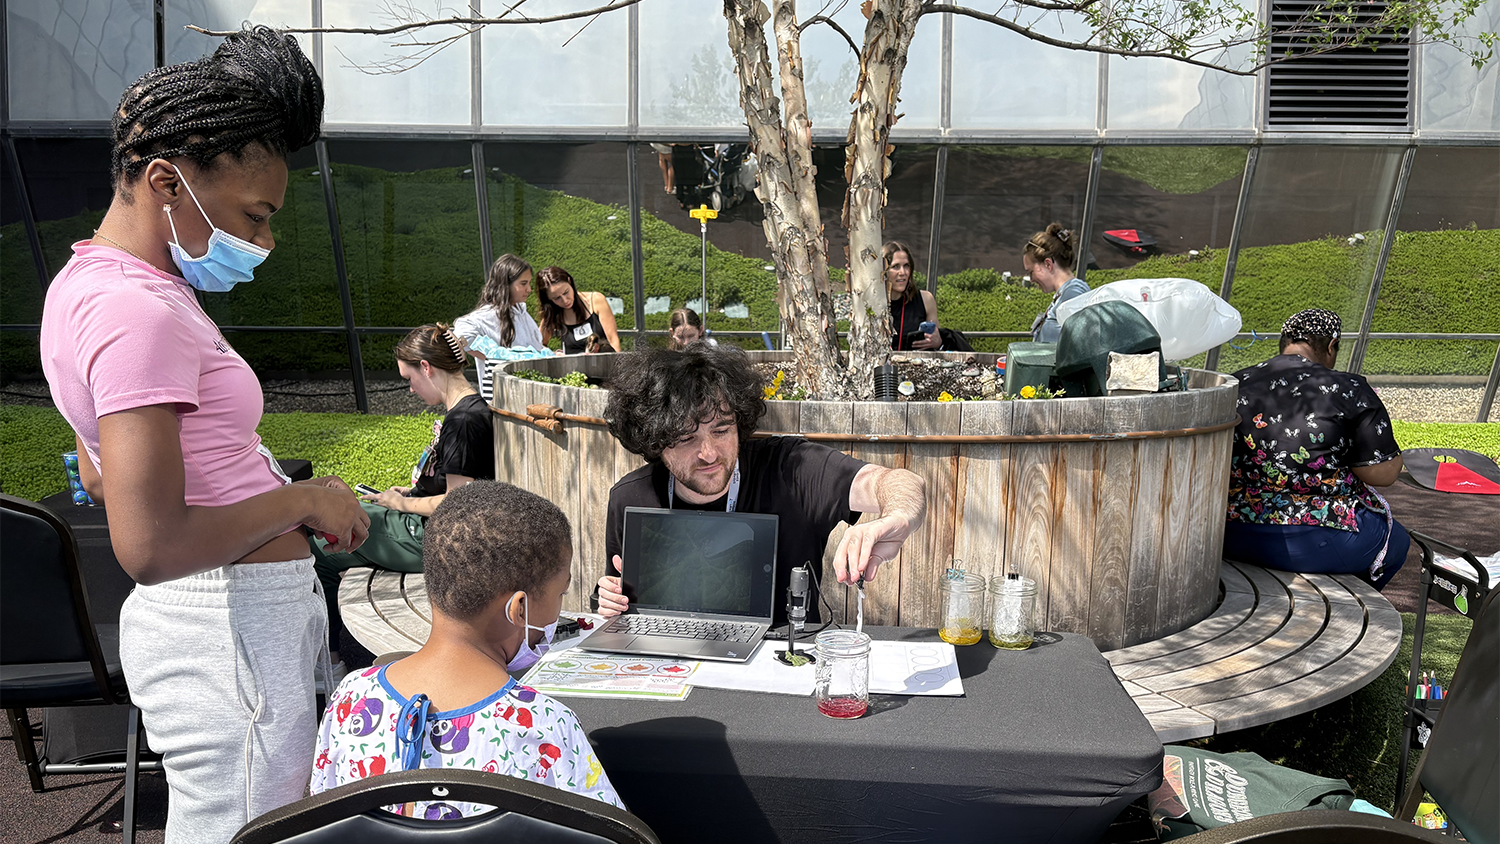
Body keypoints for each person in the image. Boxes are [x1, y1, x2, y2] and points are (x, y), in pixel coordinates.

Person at [38, 27, 370, 843]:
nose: (263, 240)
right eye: (254, 216)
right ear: (166, 181)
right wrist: (304, 497)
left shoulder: (103, 285)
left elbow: (97, 464)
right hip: (228, 633)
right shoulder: (135, 309)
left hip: (232, 632)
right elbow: (149, 544)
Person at [313, 481, 623, 817]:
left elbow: (325, 815)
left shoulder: (349, 698)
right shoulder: (546, 726)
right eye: (560, 594)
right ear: (519, 609)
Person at [595, 345, 928, 625]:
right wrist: (610, 602)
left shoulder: (793, 469)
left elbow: (897, 481)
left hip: (784, 662)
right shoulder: (630, 497)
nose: (709, 453)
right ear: (656, 441)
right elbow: (618, 599)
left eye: (722, 430)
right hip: (669, 668)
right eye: (685, 438)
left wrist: (896, 517)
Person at [311, 324, 495, 657]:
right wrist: (410, 493)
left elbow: (459, 503)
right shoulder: (466, 411)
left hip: (435, 537)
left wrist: (402, 504)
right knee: (340, 525)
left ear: (426, 367)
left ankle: (332, 658)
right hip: (424, 527)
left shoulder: (464, 421)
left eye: (409, 379)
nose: (410, 390)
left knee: (324, 546)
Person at [1223, 309, 1409, 590]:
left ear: (1284, 341)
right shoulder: (1349, 388)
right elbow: (1381, 474)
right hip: (1322, 538)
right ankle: (1345, 611)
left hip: (1231, 530)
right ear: (1332, 345)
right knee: (1395, 542)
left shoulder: (1234, 384)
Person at [455, 253, 545, 402]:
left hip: (532, 395)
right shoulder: (485, 316)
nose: (529, 289)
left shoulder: (522, 312)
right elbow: (461, 334)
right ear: (505, 284)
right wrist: (497, 356)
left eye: (529, 283)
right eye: (523, 284)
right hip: (503, 399)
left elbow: (536, 349)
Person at [1026, 223, 1090, 343]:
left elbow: (1080, 346)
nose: (1031, 279)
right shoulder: (1067, 293)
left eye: (1031, 272)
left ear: (1048, 264)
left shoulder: (1073, 294)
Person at [537, 265, 622, 354]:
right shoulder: (553, 313)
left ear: (570, 282)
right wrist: (553, 354)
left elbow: (613, 341)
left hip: (601, 364)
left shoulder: (596, 300)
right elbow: (539, 345)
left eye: (566, 292)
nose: (565, 300)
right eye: (557, 298)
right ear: (549, 299)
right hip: (571, 366)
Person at [885, 240, 941, 351]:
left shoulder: (926, 300)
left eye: (906, 266)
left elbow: (938, 342)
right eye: (895, 266)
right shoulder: (871, 303)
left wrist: (937, 342)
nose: (902, 272)